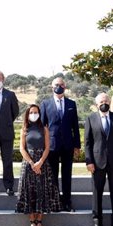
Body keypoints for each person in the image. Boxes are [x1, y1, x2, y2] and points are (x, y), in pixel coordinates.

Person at [84, 93, 113, 226]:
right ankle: (97, 222)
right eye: (102, 101)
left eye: (106, 101)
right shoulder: (91, 119)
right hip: (97, 163)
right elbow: (87, 143)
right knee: (97, 193)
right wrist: (89, 161)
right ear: (97, 104)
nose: (104, 103)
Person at [15, 104, 60, 226]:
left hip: (42, 162)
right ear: (27, 114)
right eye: (31, 112)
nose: (34, 114)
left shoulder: (44, 129)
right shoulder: (24, 129)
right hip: (28, 163)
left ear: (39, 114)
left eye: (36, 112)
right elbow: (22, 148)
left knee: (41, 191)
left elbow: (47, 147)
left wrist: (40, 163)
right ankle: (32, 221)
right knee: (29, 192)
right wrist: (31, 162)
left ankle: (39, 221)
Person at [40, 76, 81, 211]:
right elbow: (42, 126)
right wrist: (42, 145)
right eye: (57, 84)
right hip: (51, 146)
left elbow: (75, 126)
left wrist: (77, 145)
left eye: (62, 84)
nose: (59, 87)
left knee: (67, 175)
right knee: (53, 175)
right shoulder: (45, 104)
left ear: (65, 87)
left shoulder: (71, 104)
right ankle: (55, 202)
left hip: (68, 145)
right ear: (52, 87)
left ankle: (67, 202)